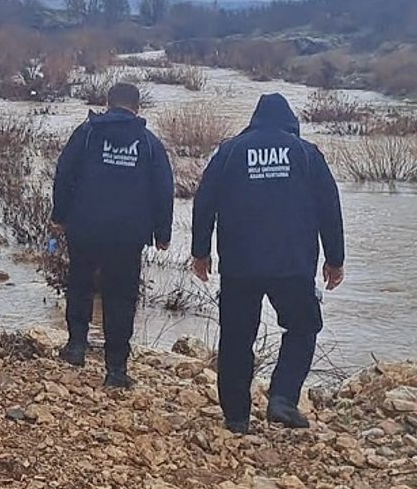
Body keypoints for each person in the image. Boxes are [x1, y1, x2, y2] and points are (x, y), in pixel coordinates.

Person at [191, 93, 344, 434]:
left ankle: (236, 417)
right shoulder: (306, 154)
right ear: (291, 123)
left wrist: (200, 251)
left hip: (239, 265)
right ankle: (283, 398)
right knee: (303, 327)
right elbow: (329, 208)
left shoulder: (230, 152)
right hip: (292, 264)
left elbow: (204, 202)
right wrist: (335, 259)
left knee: (236, 338)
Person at [51, 83, 174, 388]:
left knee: (80, 284)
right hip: (128, 235)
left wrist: (60, 216)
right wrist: (162, 232)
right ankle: (116, 370)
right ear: (137, 107)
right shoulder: (148, 143)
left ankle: (76, 347)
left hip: (85, 226)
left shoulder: (87, 134)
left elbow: (64, 174)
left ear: (107, 103)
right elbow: (163, 189)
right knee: (121, 297)